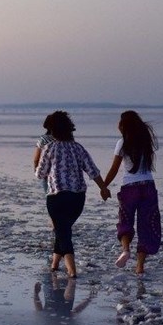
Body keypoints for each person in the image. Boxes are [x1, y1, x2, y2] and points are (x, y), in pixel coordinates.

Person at [34, 111, 111, 278]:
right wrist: (103, 188)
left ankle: (71, 271)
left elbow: (40, 174)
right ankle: (54, 264)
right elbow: (92, 170)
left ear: (53, 131)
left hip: (56, 197)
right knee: (63, 229)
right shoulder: (78, 148)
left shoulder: (49, 148)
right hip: (77, 198)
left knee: (63, 231)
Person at [103, 110, 161, 277]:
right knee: (147, 226)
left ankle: (126, 250)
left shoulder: (122, 143)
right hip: (148, 186)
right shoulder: (146, 141)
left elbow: (114, 168)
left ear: (124, 125)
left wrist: (104, 186)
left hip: (129, 188)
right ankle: (140, 267)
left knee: (125, 221)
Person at [33, 112, 57, 192]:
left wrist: (36, 170)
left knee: (50, 196)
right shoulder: (66, 140)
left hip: (47, 174)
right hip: (65, 174)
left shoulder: (43, 139)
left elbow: (36, 159)